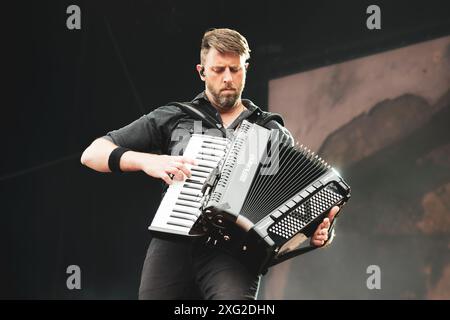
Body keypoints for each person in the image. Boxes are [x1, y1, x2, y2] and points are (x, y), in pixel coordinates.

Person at [80, 28, 339, 300]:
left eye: (235, 69)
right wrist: (148, 161)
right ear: (201, 71)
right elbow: (92, 153)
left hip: (235, 252)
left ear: (246, 69)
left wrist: (318, 232)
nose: (227, 78)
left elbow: (291, 204)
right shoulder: (174, 116)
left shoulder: (270, 130)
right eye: (218, 70)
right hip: (174, 243)